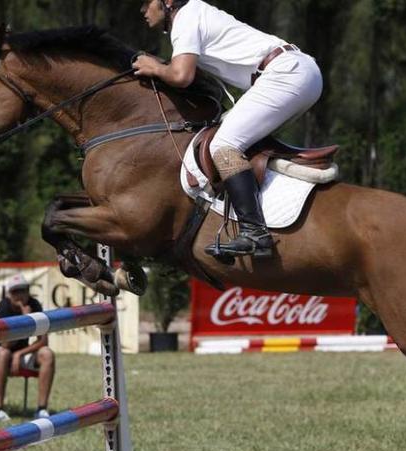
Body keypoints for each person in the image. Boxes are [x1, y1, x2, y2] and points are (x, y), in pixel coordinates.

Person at [133, 0, 324, 260]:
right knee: (236, 140)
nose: (143, 10)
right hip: (296, 72)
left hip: (284, 74)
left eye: (147, 3)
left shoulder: (186, 16)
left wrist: (154, 67)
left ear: (167, 2)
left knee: (223, 145)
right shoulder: (195, 14)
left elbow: (181, 76)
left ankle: (255, 232)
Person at [0, 274, 56, 420]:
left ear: (28, 291)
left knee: (47, 354)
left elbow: (43, 341)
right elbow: (4, 344)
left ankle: (41, 409)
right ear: (9, 294)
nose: (19, 296)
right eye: (15, 292)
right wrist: (24, 320)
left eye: (22, 291)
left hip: (21, 353)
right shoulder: (3, 307)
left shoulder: (34, 305)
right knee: (4, 354)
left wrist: (19, 354)